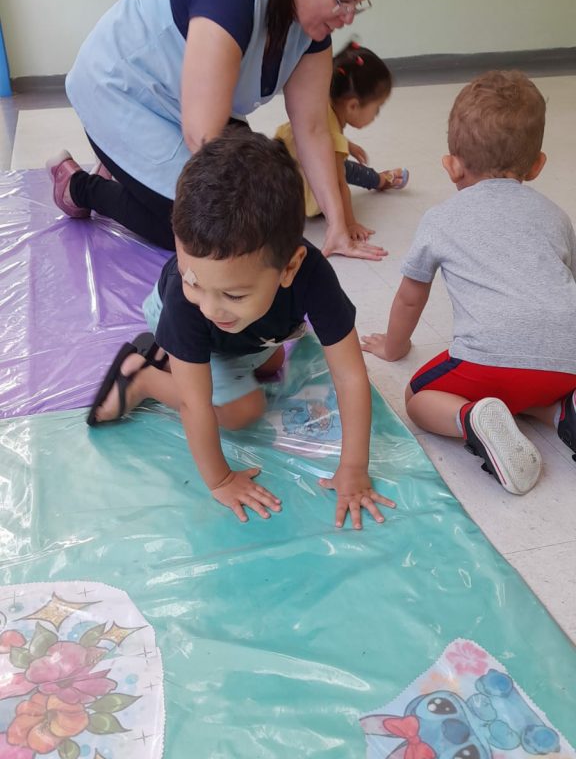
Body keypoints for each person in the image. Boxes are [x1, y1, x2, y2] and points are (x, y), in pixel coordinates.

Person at [87, 129, 396, 528]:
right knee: (242, 410)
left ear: (289, 267)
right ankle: (142, 378)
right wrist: (220, 480)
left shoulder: (313, 274)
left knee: (273, 365)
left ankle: (176, 355)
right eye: (193, 278)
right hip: (188, 327)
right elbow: (196, 404)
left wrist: (353, 467)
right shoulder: (187, 303)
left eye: (233, 294)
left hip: (253, 337)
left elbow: (350, 375)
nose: (209, 306)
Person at [46, 0, 386, 262]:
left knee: (257, 197)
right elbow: (202, 135)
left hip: (185, 99)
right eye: (342, 0)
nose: (348, 17)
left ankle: (131, 169)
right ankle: (78, 186)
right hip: (120, 89)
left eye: (358, 4)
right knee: (203, 228)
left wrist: (337, 226)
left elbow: (312, 128)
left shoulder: (312, 29)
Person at [361, 70, 576, 495]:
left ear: (452, 166)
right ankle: (562, 413)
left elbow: (410, 298)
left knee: (418, 398)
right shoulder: (556, 216)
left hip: (488, 360)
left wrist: (394, 347)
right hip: (567, 358)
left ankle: (472, 420)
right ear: (537, 165)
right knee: (533, 380)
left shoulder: (440, 219)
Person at [276, 41, 408, 240]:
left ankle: (380, 180)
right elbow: (338, 183)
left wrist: (348, 145)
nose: (376, 115)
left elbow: (327, 135)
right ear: (353, 106)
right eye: (377, 108)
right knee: (345, 170)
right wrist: (349, 223)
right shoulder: (334, 138)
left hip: (282, 173)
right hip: (302, 192)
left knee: (342, 165)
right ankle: (380, 180)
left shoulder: (321, 104)